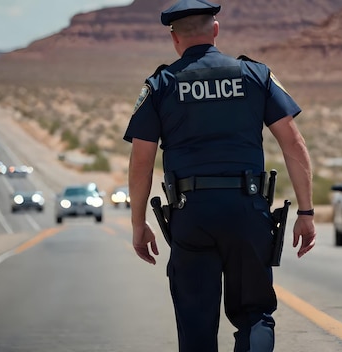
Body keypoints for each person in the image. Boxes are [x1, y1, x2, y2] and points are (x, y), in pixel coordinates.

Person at [123, 0, 316, 350]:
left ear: (174, 39)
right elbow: (294, 143)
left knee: (196, 323)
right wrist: (306, 211)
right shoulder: (256, 75)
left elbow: (141, 162)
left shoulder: (161, 84)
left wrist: (139, 223)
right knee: (254, 314)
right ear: (215, 29)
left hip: (191, 212)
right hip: (247, 209)